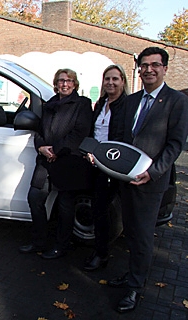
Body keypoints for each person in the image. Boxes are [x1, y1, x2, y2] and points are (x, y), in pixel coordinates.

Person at [107, 47, 188, 313]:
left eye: (155, 65)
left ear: (164, 68)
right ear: (139, 68)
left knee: (142, 236)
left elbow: (175, 145)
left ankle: (135, 288)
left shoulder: (176, 101)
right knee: (129, 231)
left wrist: (152, 172)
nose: (149, 69)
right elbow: (120, 137)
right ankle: (132, 275)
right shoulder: (130, 101)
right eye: (144, 65)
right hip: (126, 179)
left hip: (150, 183)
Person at [19, 68, 93, 259]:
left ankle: (61, 245)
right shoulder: (50, 105)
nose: (65, 84)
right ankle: (39, 241)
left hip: (69, 160)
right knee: (35, 198)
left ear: (75, 84)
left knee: (65, 206)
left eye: (69, 80)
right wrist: (42, 147)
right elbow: (40, 132)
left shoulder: (82, 104)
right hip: (46, 160)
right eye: (61, 80)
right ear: (56, 84)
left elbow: (79, 133)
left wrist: (56, 151)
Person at [83, 65, 129, 271]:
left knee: (106, 210)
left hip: (113, 165)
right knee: (99, 209)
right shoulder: (101, 103)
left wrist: (105, 156)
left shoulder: (126, 105)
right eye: (107, 79)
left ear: (123, 81)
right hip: (95, 163)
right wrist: (90, 151)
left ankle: (102, 254)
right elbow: (94, 131)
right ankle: (101, 252)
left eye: (115, 79)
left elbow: (123, 138)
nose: (110, 83)